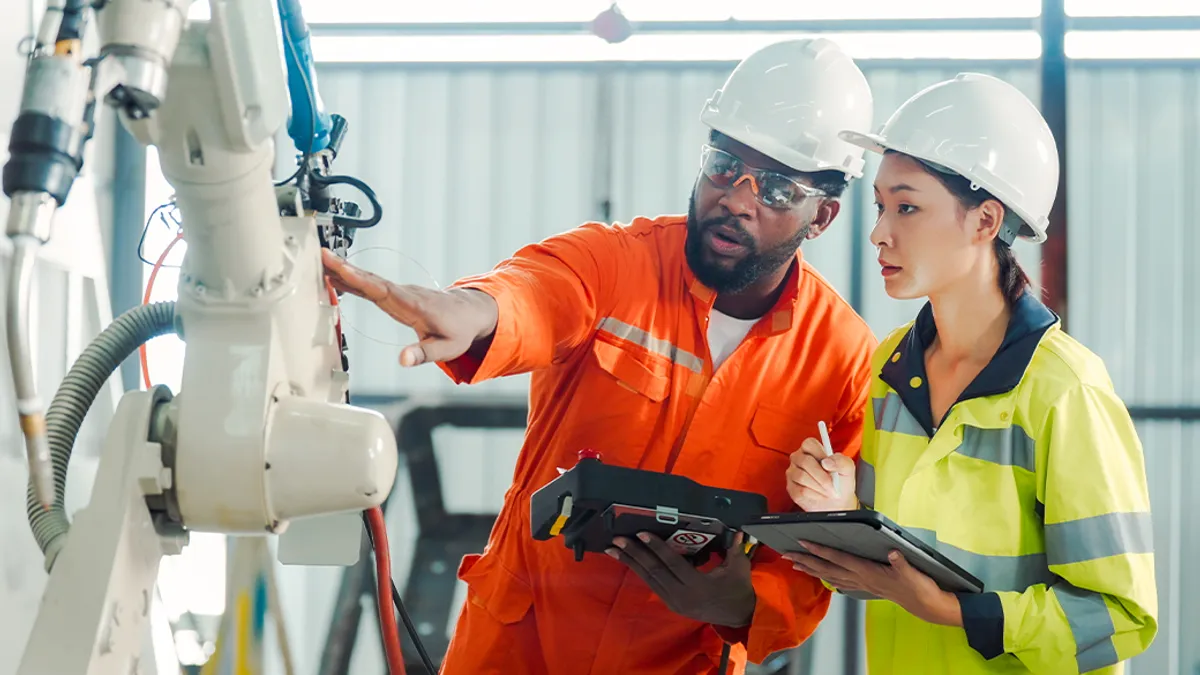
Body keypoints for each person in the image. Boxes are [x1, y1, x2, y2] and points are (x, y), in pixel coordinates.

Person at [322, 38, 878, 675]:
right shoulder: (620, 263)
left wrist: (743, 601)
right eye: (724, 164)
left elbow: (820, 549)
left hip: (676, 659)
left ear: (824, 215)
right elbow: (539, 292)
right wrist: (473, 312)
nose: (736, 197)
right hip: (516, 647)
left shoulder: (842, 361)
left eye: (778, 189)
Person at [783, 73, 1158, 675]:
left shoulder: (1066, 391)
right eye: (881, 207)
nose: (880, 232)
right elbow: (894, 572)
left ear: (985, 221)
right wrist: (841, 509)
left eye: (907, 206)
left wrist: (956, 612)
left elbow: (1119, 615)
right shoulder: (891, 366)